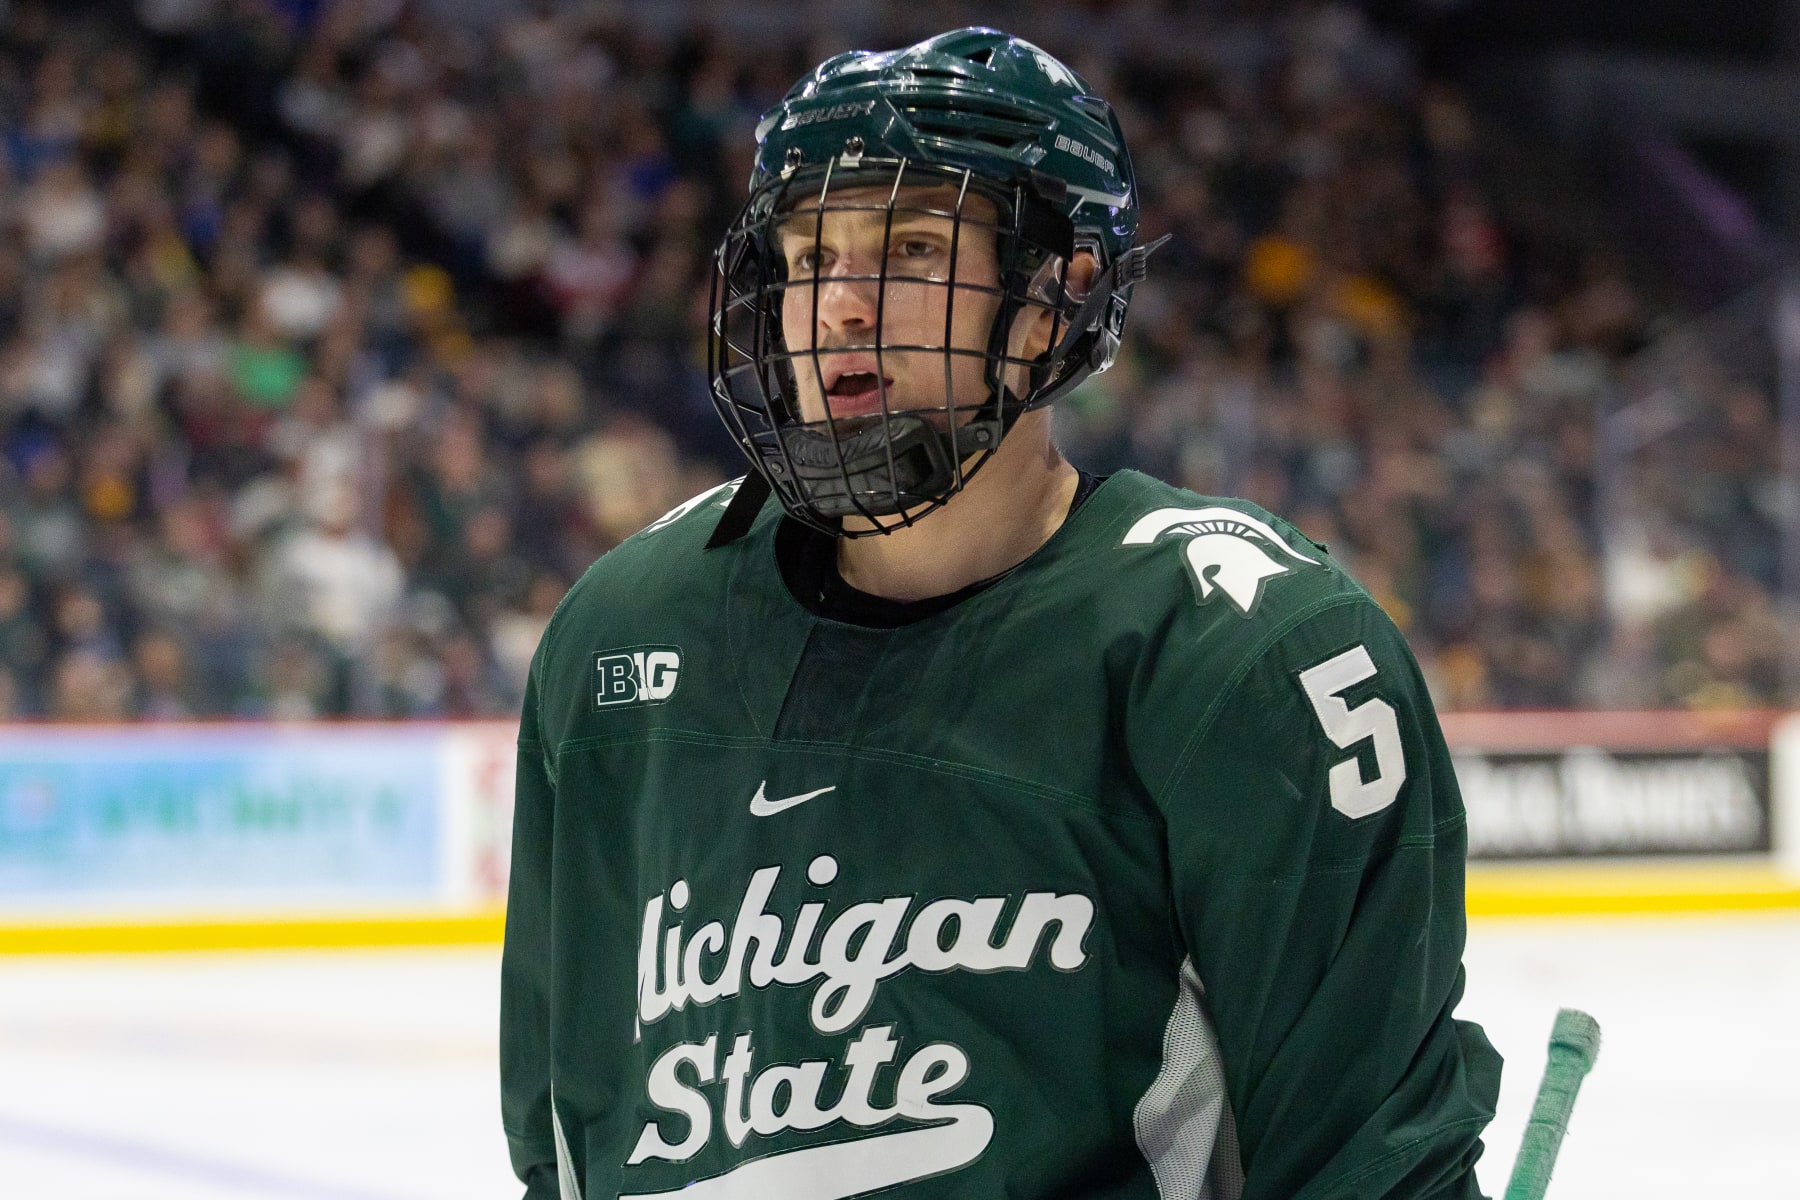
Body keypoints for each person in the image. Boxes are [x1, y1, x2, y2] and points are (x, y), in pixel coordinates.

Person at [501, 27, 1501, 1200]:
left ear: (1053, 298)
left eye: (914, 250)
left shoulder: (1247, 655)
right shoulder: (622, 632)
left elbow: (1365, 1163)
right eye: (810, 256)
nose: (841, 309)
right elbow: (565, 1136)